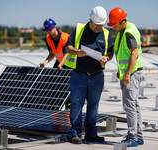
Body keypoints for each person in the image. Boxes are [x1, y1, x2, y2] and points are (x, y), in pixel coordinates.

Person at [64, 6, 114, 144]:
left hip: (97, 76)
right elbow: (67, 46)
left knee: (94, 105)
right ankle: (74, 133)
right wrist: (76, 52)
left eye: (100, 25)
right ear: (90, 20)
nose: (98, 28)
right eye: (96, 25)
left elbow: (110, 51)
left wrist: (107, 58)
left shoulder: (105, 33)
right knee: (76, 105)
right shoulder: (80, 29)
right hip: (79, 75)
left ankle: (91, 133)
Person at [107, 7, 144, 147]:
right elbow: (124, 54)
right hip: (132, 72)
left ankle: (132, 137)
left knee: (129, 106)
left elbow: (134, 54)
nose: (113, 28)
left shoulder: (128, 33)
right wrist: (120, 70)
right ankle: (138, 136)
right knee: (134, 105)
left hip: (132, 73)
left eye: (114, 24)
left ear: (122, 22)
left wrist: (127, 73)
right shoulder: (127, 29)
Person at [39, 18, 71, 109]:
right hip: (59, 61)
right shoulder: (48, 39)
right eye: (47, 30)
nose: (48, 32)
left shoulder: (65, 38)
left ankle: (69, 104)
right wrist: (45, 62)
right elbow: (52, 54)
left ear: (55, 27)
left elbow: (66, 54)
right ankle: (56, 103)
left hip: (70, 62)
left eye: (50, 29)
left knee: (68, 84)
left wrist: (60, 65)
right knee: (54, 81)